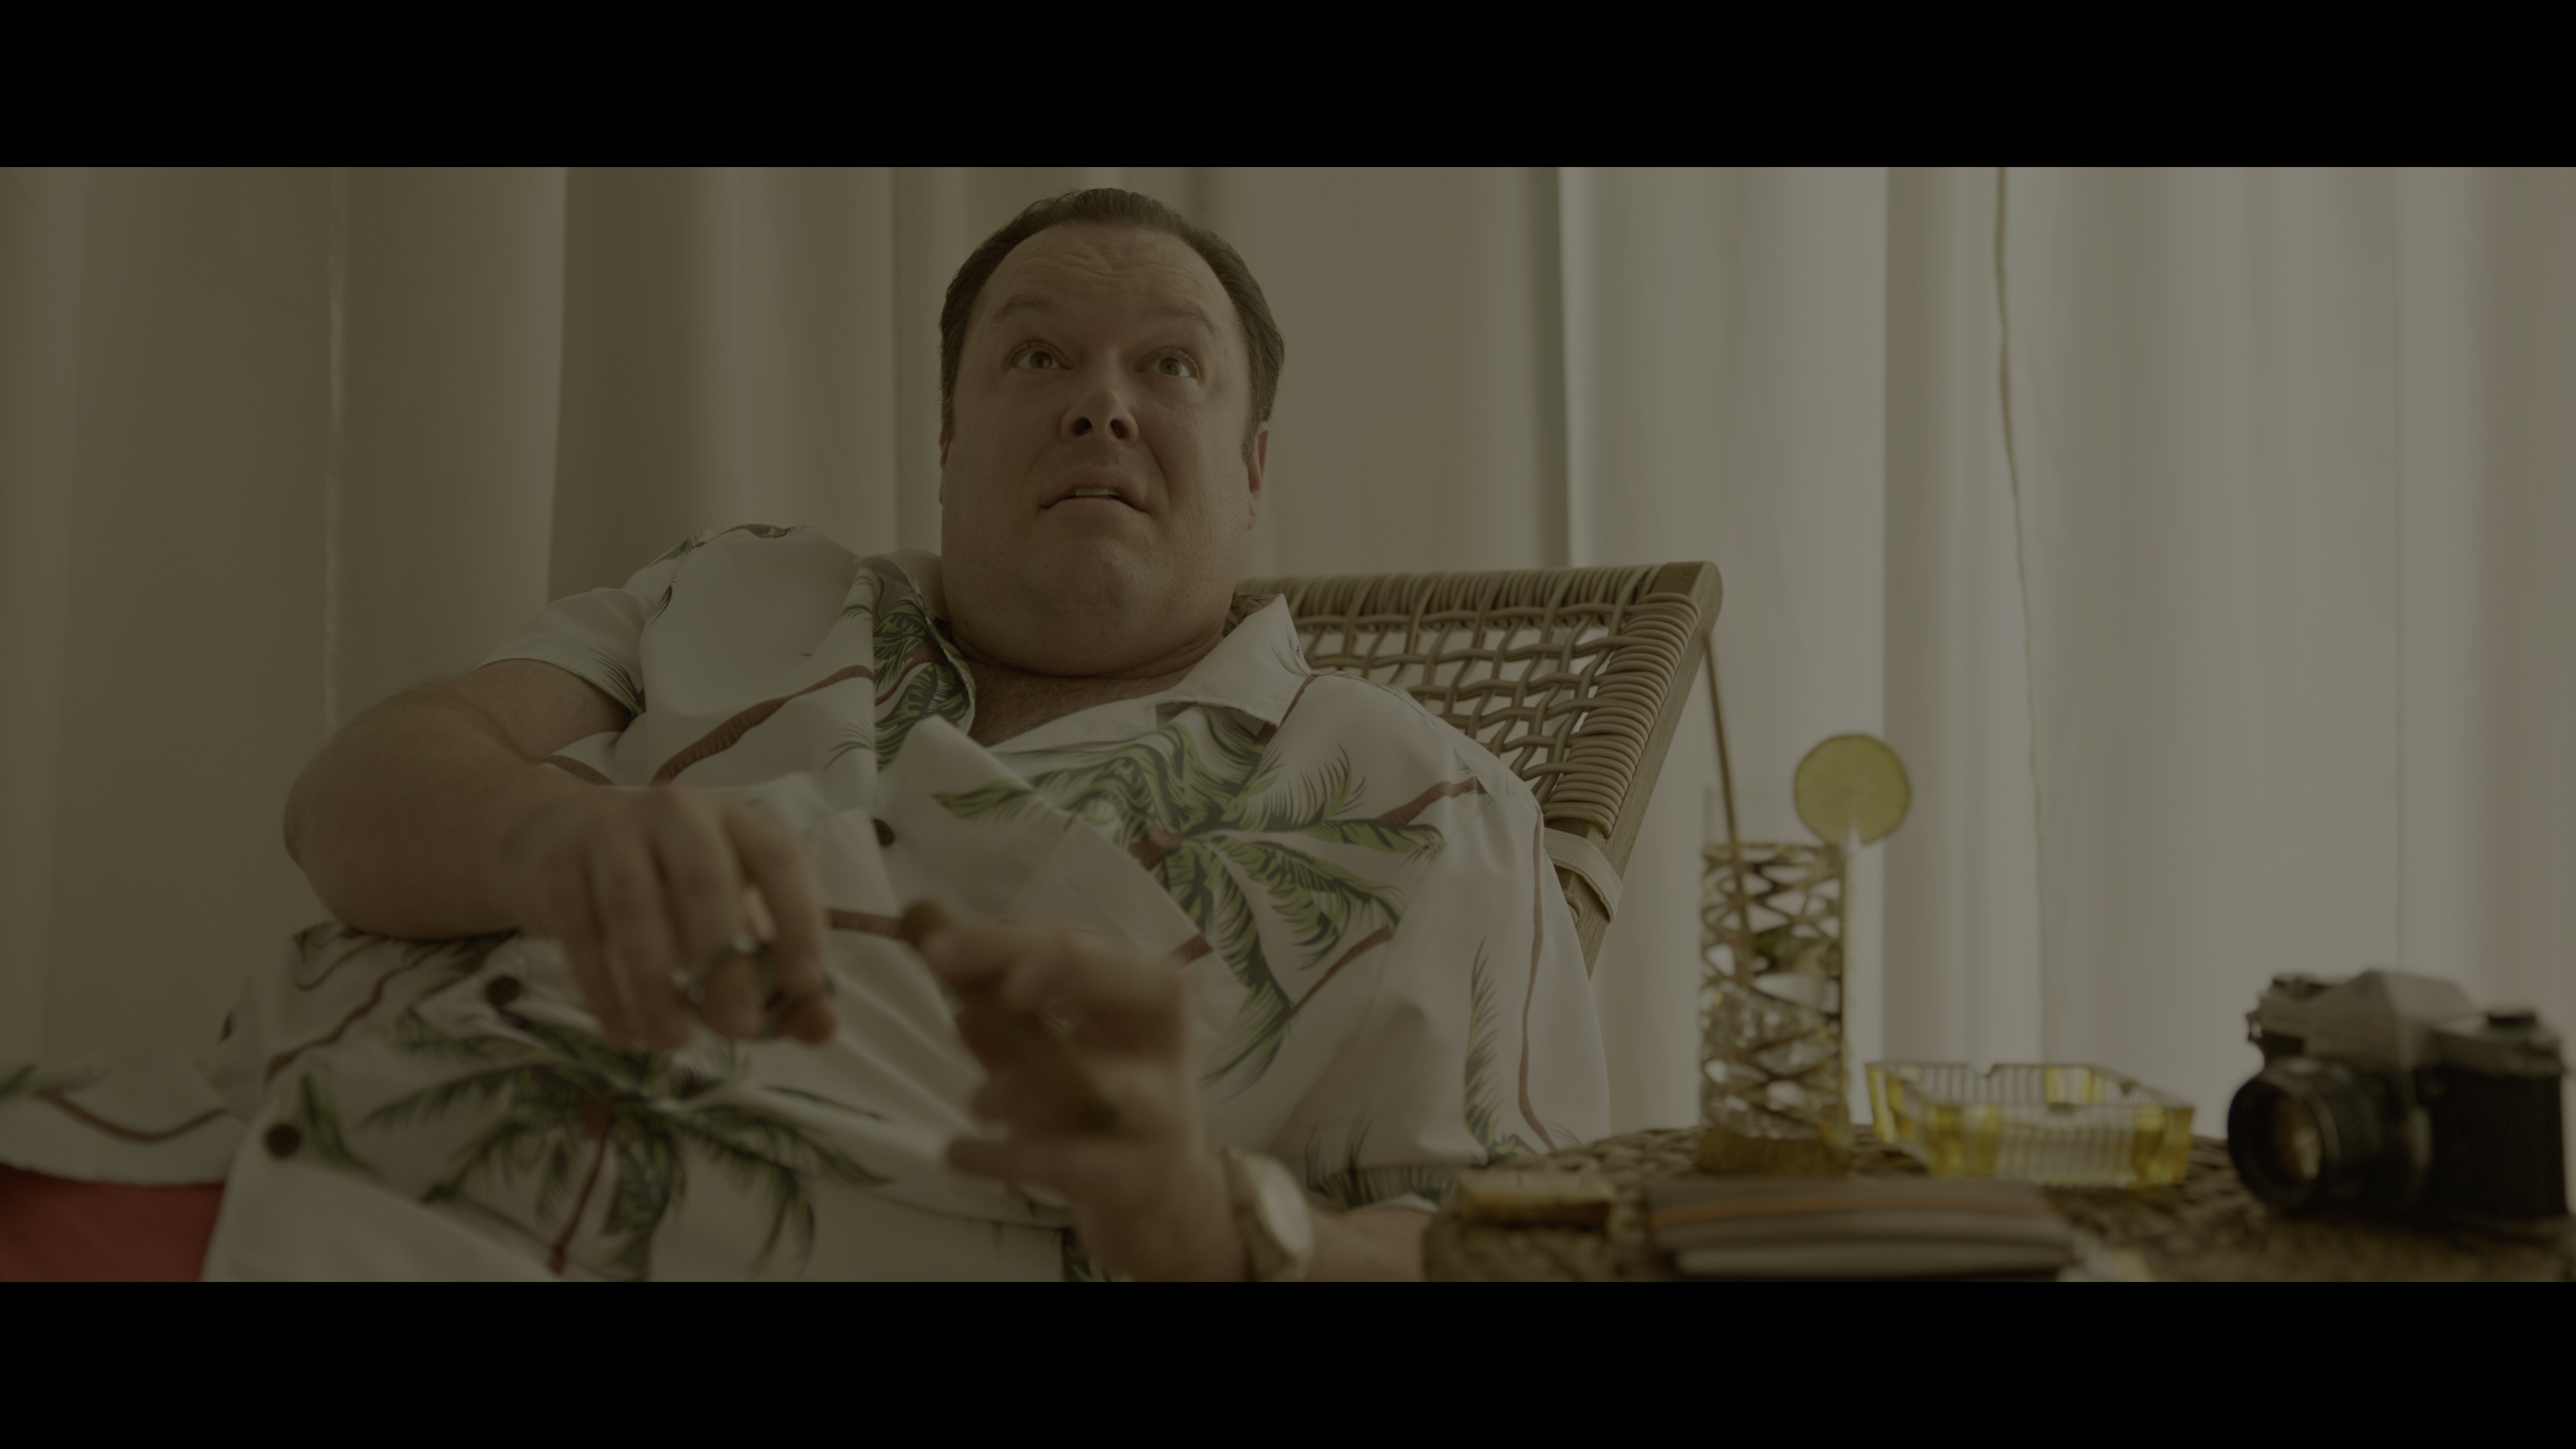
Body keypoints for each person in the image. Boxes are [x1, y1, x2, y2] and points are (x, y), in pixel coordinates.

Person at [5, 189, 1607, 1281]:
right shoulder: (744, 586)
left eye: (1169, 365)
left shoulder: (1423, 800)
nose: (1101, 403)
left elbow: (1529, 1252)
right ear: (947, 440)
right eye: (1037, 354)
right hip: (183, 1138)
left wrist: (1212, 1220)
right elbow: (347, 804)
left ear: (1253, 465)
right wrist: (550, 833)